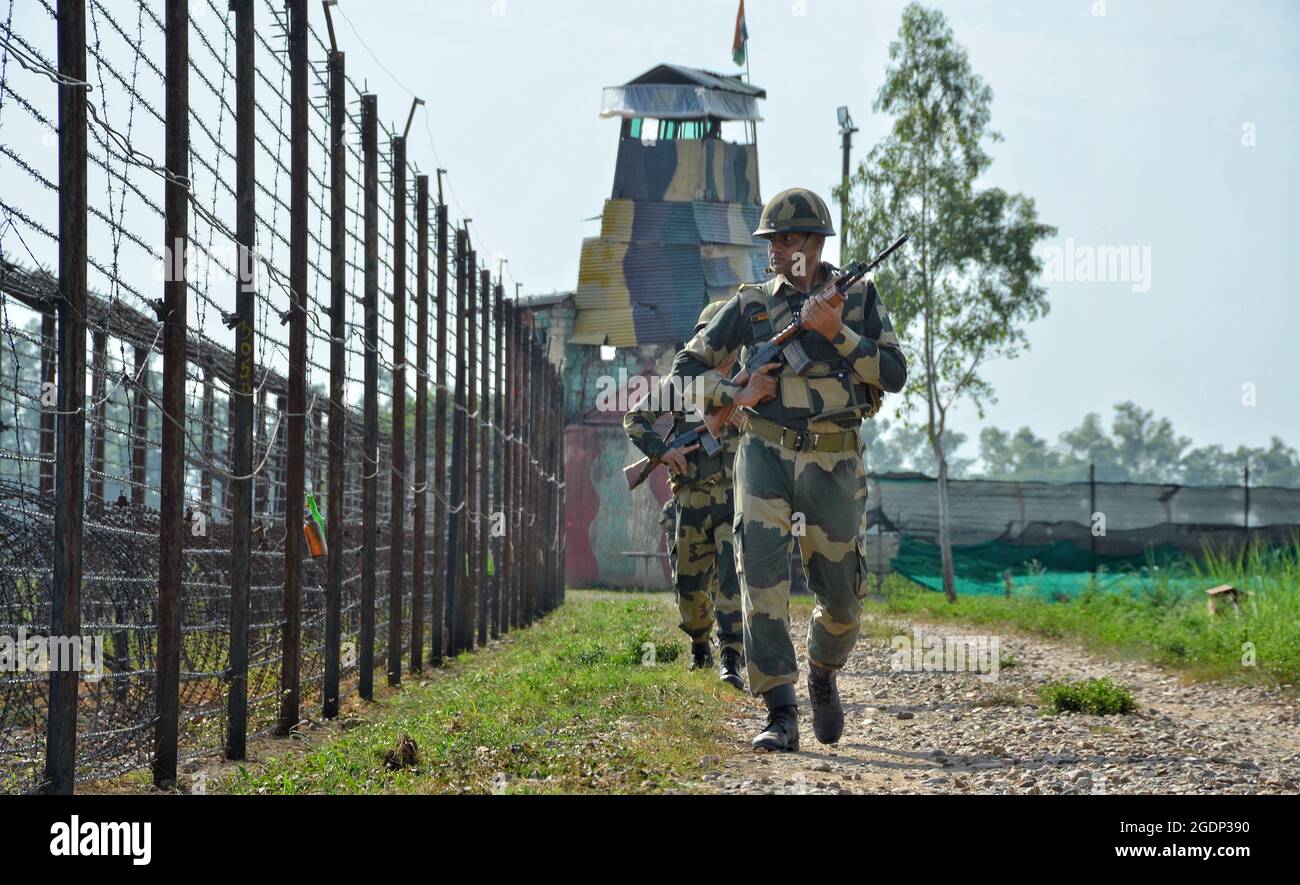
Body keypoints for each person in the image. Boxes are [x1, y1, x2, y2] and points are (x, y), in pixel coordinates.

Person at [671, 187, 907, 751]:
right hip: (765, 453)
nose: (774, 248)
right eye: (770, 239)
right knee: (762, 583)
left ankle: (823, 672)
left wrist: (836, 334)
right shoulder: (751, 305)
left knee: (844, 601)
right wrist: (737, 389)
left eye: (786, 238)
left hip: (835, 458)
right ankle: (780, 711)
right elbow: (685, 369)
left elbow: (895, 374)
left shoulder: (862, 300)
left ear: (816, 242)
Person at [623, 302, 746, 690]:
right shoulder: (678, 387)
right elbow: (635, 419)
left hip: (733, 499)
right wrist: (664, 452)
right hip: (690, 502)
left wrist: (748, 416)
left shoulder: (748, 385)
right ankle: (699, 647)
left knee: (731, 578)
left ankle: (731, 656)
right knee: (690, 588)